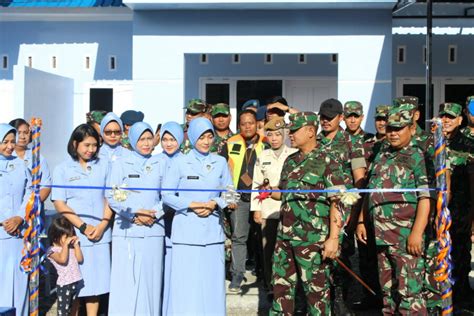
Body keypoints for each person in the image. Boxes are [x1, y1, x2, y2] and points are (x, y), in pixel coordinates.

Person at [270, 112, 349, 315]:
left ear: (311, 131)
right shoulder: (290, 161)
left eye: (294, 131)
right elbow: (285, 194)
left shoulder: (328, 160)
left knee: (316, 296)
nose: (290, 135)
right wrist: (271, 192)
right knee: (280, 292)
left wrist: (333, 238)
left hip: (313, 240)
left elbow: (338, 203)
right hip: (285, 238)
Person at [357, 107, 431, 315]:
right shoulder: (382, 153)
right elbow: (370, 190)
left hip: (405, 237)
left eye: (398, 128)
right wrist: (363, 220)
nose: (393, 133)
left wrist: (416, 233)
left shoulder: (418, 156)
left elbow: (425, 198)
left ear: (411, 129)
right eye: (390, 128)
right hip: (381, 236)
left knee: (409, 295)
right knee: (388, 295)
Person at [162, 117, 233, 315]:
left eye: (210, 136)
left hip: (212, 234)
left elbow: (231, 192)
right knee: (186, 286)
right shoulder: (179, 162)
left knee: (211, 286)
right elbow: (167, 194)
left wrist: (214, 203)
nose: (206, 141)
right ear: (192, 137)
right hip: (186, 233)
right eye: (202, 137)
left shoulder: (220, 162)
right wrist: (191, 205)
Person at [52, 124, 112, 316]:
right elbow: (60, 203)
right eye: (86, 145)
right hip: (75, 234)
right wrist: (83, 227)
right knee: (74, 284)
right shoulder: (62, 169)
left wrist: (103, 225)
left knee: (96, 285)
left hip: (101, 233)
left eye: (95, 145)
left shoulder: (105, 165)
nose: (91, 149)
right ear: (75, 143)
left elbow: (111, 197)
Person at [106, 122, 165, 316]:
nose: (146, 143)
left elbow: (168, 195)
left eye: (149, 139)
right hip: (127, 231)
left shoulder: (160, 163)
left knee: (150, 282)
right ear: (132, 141)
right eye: (142, 139)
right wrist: (134, 214)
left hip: (153, 229)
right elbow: (113, 196)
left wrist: (153, 213)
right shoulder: (121, 163)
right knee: (126, 283)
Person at [318, 98, 366, 314]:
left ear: (341, 118)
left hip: (342, 210)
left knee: (340, 258)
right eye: (323, 117)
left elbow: (360, 180)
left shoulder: (351, 143)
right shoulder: (315, 141)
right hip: (316, 211)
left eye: (330, 118)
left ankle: (340, 300)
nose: (325, 121)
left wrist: (357, 216)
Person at [220, 110, 267, 292]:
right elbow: (224, 172)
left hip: (261, 197)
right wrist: (229, 197)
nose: (248, 126)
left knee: (263, 237)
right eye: (244, 123)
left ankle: (265, 274)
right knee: (239, 237)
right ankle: (237, 274)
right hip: (238, 198)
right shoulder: (230, 143)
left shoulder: (266, 143)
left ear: (257, 124)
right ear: (238, 125)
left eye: (251, 123)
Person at [250, 117, 297, 296]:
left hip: (290, 211)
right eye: (271, 135)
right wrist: (256, 209)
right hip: (268, 211)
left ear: (285, 135)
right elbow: (256, 183)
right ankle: (271, 286)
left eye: (278, 134)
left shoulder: (294, 153)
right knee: (268, 251)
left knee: (290, 252)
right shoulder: (263, 156)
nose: (275, 138)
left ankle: (291, 288)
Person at [440, 101, 474, 308]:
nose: (446, 120)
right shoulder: (431, 143)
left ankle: (461, 296)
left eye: (450, 117)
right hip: (438, 210)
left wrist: (471, 216)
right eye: (443, 116)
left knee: (460, 253)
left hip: (460, 208)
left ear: (460, 120)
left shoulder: (468, 146)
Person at [0, 123, 30, 316]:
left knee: (19, 283)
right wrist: (4, 220)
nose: (10, 146)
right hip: (2, 232)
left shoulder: (20, 164)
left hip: (19, 232)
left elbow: (30, 193)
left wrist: (19, 216)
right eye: (5, 142)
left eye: (13, 141)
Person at [156, 121, 184, 316]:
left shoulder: (187, 160)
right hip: (158, 220)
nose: (168, 143)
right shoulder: (155, 161)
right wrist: (156, 212)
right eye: (164, 139)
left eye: (172, 139)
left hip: (180, 218)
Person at [9, 118, 52, 205]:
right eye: (18, 132)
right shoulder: (5, 157)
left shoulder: (38, 157)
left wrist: (31, 206)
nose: (22, 136)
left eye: (25, 132)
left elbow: (46, 186)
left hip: (32, 212)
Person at [47, 216, 84, 316]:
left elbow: (80, 259)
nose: (69, 239)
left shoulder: (70, 248)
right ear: (56, 236)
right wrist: (65, 245)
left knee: (74, 308)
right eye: (66, 237)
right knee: (63, 312)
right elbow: (62, 260)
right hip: (64, 285)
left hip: (75, 282)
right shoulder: (52, 251)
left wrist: (76, 246)